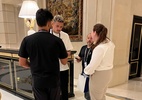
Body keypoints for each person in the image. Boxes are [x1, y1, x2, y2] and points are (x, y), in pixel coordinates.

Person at [18, 9, 68, 100]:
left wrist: (32, 64)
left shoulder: (27, 40)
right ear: (49, 23)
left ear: (37, 22)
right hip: (53, 81)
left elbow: (22, 62)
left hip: (38, 81)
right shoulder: (57, 41)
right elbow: (64, 62)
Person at [84, 23, 115, 100]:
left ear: (94, 32)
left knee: (95, 97)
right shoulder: (110, 43)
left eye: (92, 32)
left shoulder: (99, 48)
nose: (91, 34)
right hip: (108, 73)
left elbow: (93, 65)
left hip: (99, 75)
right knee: (102, 96)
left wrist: (86, 71)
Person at [51, 15, 73, 100]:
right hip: (51, 68)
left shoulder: (65, 35)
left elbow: (69, 51)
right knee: (53, 89)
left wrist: (62, 54)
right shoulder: (47, 34)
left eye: (61, 26)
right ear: (52, 24)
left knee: (64, 88)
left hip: (63, 67)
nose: (59, 28)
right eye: (57, 26)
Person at [76, 33, 93, 100]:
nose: (89, 40)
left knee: (90, 91)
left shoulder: (95, 48)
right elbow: (80, 57)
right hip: (84, 72)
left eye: (91, 38)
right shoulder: (83, 48)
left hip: (92, 73)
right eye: (88, 38)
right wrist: (78, 59)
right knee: (85, 90)